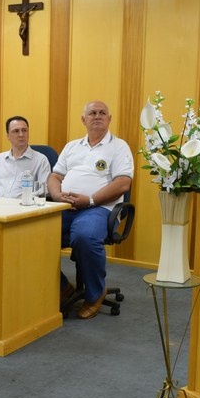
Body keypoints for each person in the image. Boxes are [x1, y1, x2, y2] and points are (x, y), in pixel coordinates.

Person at [48, 100, 134, 319]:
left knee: (84, 236)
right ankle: (63, 287)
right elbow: (55, 176)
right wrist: (57, 195)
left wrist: (91, 200)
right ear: (83, 120)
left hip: (100, 209)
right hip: (66, 207)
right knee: (31, 234)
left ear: (109, 119)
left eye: (102, 113)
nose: (97, 116)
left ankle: (95, 293)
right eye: (92, 113)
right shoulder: (72, 146)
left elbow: (123, 184)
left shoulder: (119, 147)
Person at [0, 116, 51, 198]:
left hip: (23, 206)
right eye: (16, 131)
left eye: (24, 130)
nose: (21, 134)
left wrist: (27, 199)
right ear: (8, 136)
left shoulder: (40, 160)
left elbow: (44, 191)